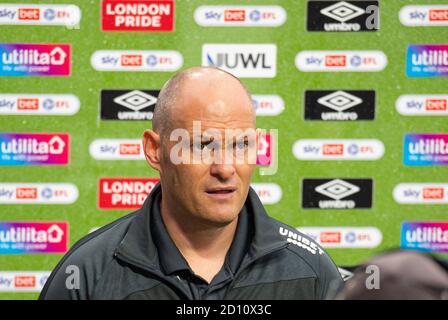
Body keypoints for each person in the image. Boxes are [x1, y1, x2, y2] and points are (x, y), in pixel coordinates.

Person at [39, 66, 343, 300]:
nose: (225, 168)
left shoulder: (310, 272)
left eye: (240, 145)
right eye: (202, 146)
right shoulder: (87, 274)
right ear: (155, 150)